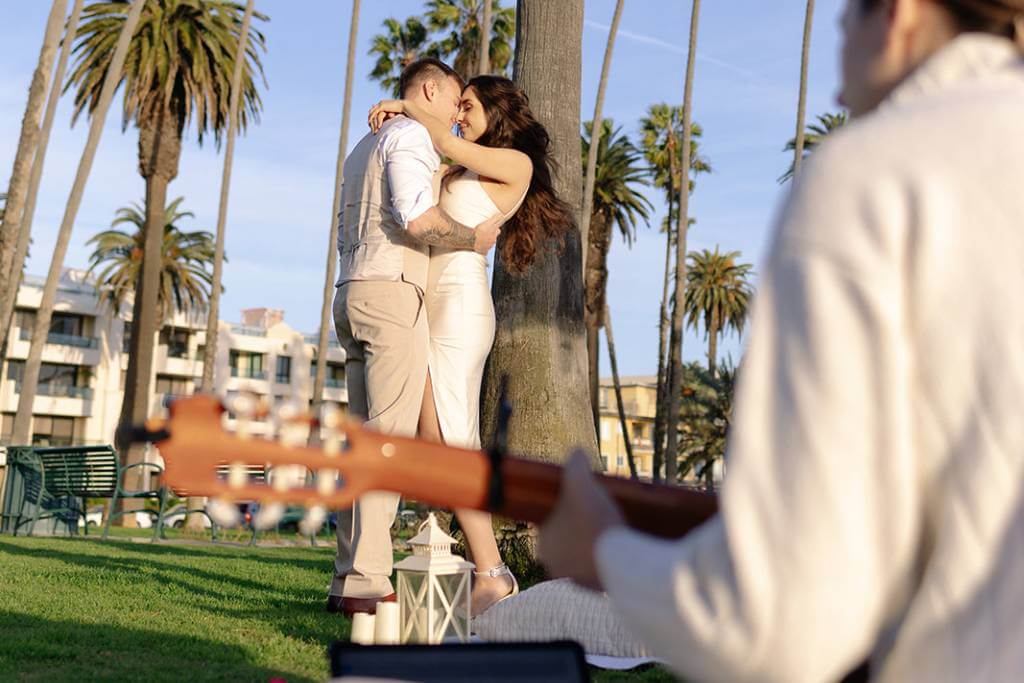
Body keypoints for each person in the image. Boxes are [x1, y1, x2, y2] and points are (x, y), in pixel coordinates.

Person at [539, 1, 1024, 681]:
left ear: (898, 15)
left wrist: (605, 554)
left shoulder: (875, 174)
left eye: (843, 25)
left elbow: (783, 624)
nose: (836, 78)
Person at [367, 75, 576, 614]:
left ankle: (492, 574)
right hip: (425, 298)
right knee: (433, 430)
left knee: (453, 437)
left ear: (495, 110)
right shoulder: (462, 165)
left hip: (460, 303)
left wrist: (402, 105)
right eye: (456, 106)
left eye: (467, 106)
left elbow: (444, 140)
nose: (459, 115)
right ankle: (465, 556)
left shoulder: (514, 165)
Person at [328, 58, 503, 617]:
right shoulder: (407, 138)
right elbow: (419, 219)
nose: (456, 112)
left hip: (349, 292)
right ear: (431, 88)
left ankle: (344, 579)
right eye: (454, 99)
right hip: (392, 293)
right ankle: (369, 583)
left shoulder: (366, 142)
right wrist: (471, 239)